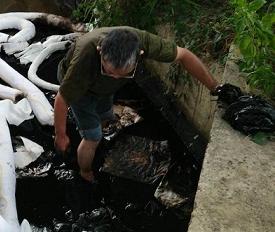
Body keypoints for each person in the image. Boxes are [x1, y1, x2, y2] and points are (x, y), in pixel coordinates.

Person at [54, 26, 220, 183]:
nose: (115, 77)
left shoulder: (144, 43)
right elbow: (62, 99)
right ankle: (86, 172)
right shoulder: (85, 58)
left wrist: (216, 88)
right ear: (100, 51)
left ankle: (97, 136)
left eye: (123, 74)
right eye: (109, 71)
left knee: (105, 114)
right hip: (81, 90)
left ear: (140, 54)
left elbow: (184, 55)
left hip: (103, 90)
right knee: (93, 137)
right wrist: (61, 135)